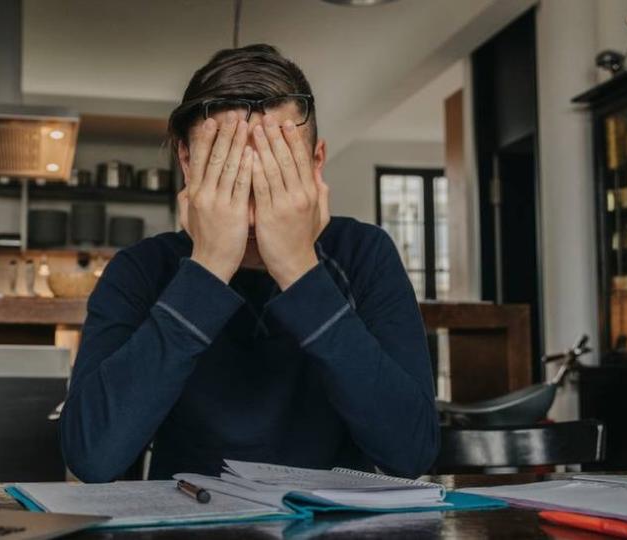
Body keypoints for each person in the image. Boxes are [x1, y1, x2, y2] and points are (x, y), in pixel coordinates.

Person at [60, 43, 438, 482]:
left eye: (279, 168)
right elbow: (91, 457)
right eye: (227, 169)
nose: (254, 199)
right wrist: (207, 269)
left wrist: (299, 269)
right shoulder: (142, 270)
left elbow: (411, 454)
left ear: (316, 163)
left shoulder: (364, 254)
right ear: (187, 162)